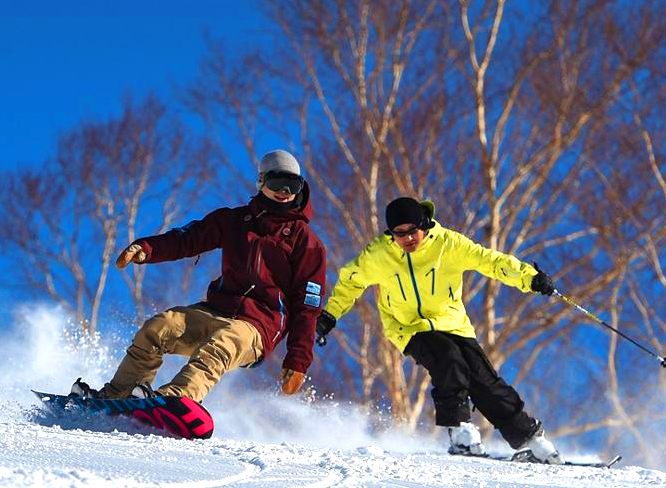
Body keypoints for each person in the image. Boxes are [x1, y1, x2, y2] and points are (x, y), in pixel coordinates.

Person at [315, 196, 563, 464]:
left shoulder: (449, 244)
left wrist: (529, 278)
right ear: (391, 234)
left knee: (483, 378)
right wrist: (330, 315)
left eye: (412, 231)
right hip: (408, 327)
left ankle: (529, 438)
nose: (407, 238)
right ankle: (459, 430)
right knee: (448, 358)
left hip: (453, 323)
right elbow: (350, 282)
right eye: (399, 234)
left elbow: (490, 261)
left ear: (425, 224)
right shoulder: (379, 254)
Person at [71, 150, 327, 403]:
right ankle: (117, 397)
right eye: (276, 182)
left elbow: (307, 308)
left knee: (220, 345)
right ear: (261, 182)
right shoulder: (236, 220)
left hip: (259, 326)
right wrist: (146, 248)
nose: (284, 191)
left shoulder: (306, 242)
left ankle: (174, 400)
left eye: (292, 184)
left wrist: (298, 360)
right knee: (158, 328)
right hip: (216, 310)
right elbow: (188, 239)